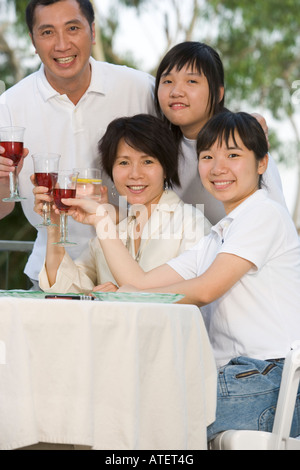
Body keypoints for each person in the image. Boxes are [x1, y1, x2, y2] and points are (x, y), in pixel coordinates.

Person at [62, 111, 300, 439]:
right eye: (207, 156)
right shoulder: (221, 236)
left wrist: (120, 295)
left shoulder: (263, 213)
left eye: (233, 155)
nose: (218, 168)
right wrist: (103, 221)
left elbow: (204, 290)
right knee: (117, 401)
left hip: (273, 381)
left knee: (133, 411)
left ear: (262, 163)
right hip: (240, 377)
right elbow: (142, 282)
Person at [0, 0, 155, 287]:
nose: (62, 44)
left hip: (137, 273)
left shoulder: (140, 88)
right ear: (33, 41)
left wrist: (246, 122)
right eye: (47, 32)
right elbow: (2, 209)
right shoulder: (9, 106)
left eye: (73, 28)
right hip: (53, 274)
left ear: (92, 31)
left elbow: (197, 131)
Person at [37, 114, 210, 293]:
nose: (135, 174)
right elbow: (65, 287)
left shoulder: (191, 224)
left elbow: (189, 300)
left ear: (165, 169)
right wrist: (54, 225)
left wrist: (117, 297)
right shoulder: (114, 228)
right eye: (124, 162)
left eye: (147, 161)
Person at [154, 41, 288, 224]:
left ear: (218, 94)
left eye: (191, 81)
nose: (176, 91)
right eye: (168, 81)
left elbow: (275, 222)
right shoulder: (159, 150)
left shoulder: (244, 145)